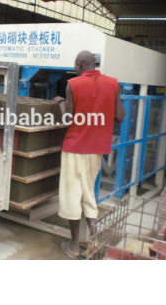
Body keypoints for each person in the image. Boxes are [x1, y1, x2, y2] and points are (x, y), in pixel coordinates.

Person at [53, 50, 125, 259]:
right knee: (88, 195)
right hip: (96, 150)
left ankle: (75, 246)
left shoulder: (73, 84)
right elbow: (120, 116)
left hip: (75, 148)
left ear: (78, 65)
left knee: (72, 196)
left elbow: (68, 118)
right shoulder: (113, 84)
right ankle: (95, 245)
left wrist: (59, 102)